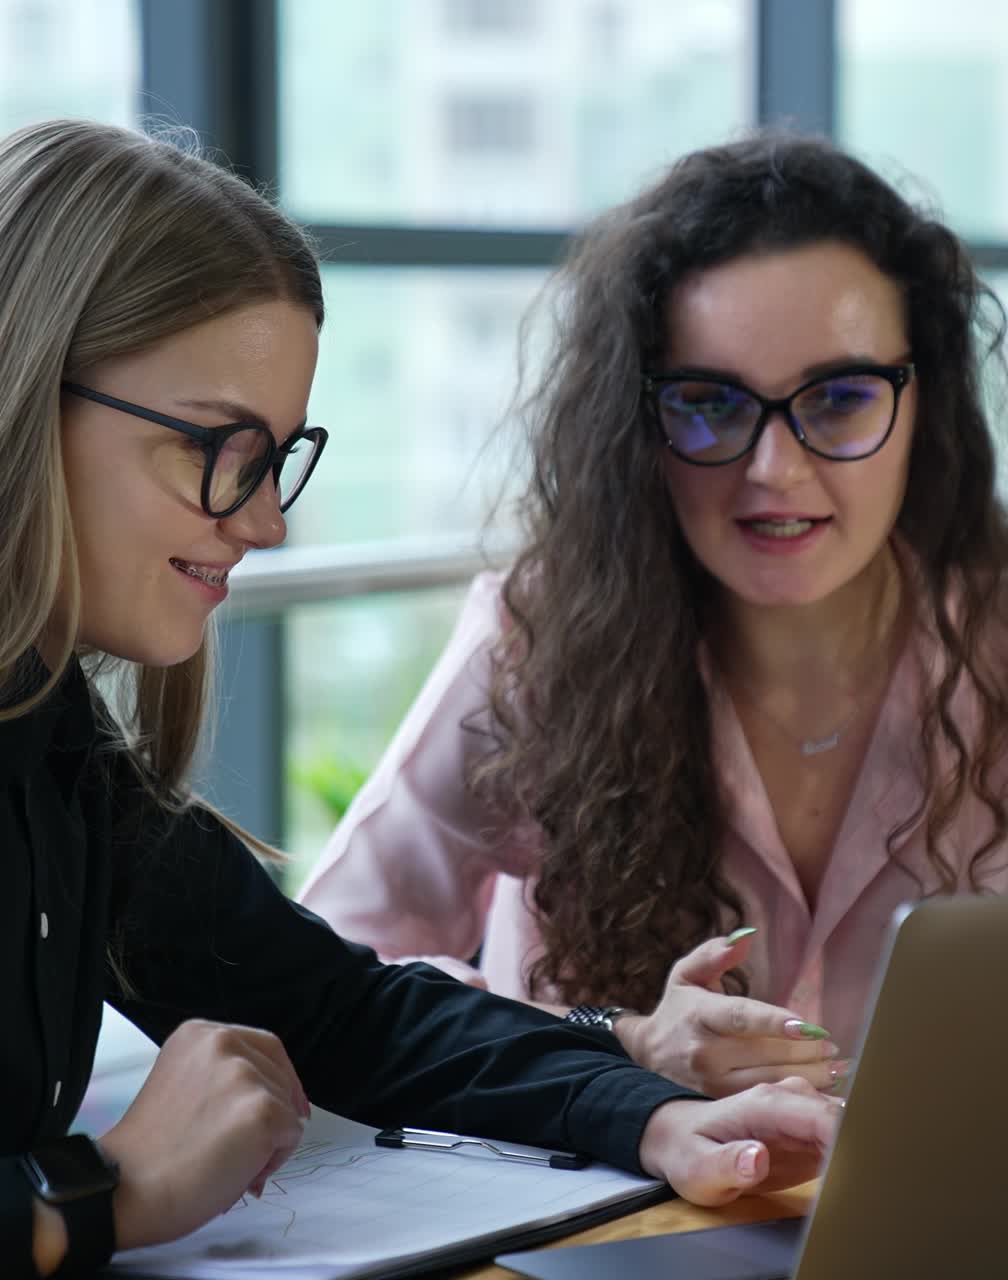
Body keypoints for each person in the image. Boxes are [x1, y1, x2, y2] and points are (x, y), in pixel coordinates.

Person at [0, 119, 844, 1280]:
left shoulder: (49, 743)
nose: (262, 520)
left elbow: (340, 1007)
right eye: (219, 447)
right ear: (27, 392)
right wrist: (93, 1198)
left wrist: (643, 1110)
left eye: (277, 458)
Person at [300, 130, 1008, 1099]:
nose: (775, 468)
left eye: (841, 397)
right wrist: (619, 1040)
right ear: (639, 427)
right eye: (708, 404)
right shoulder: (535, 642)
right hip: (599, 1233)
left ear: (922, 406)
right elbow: (318, 982)